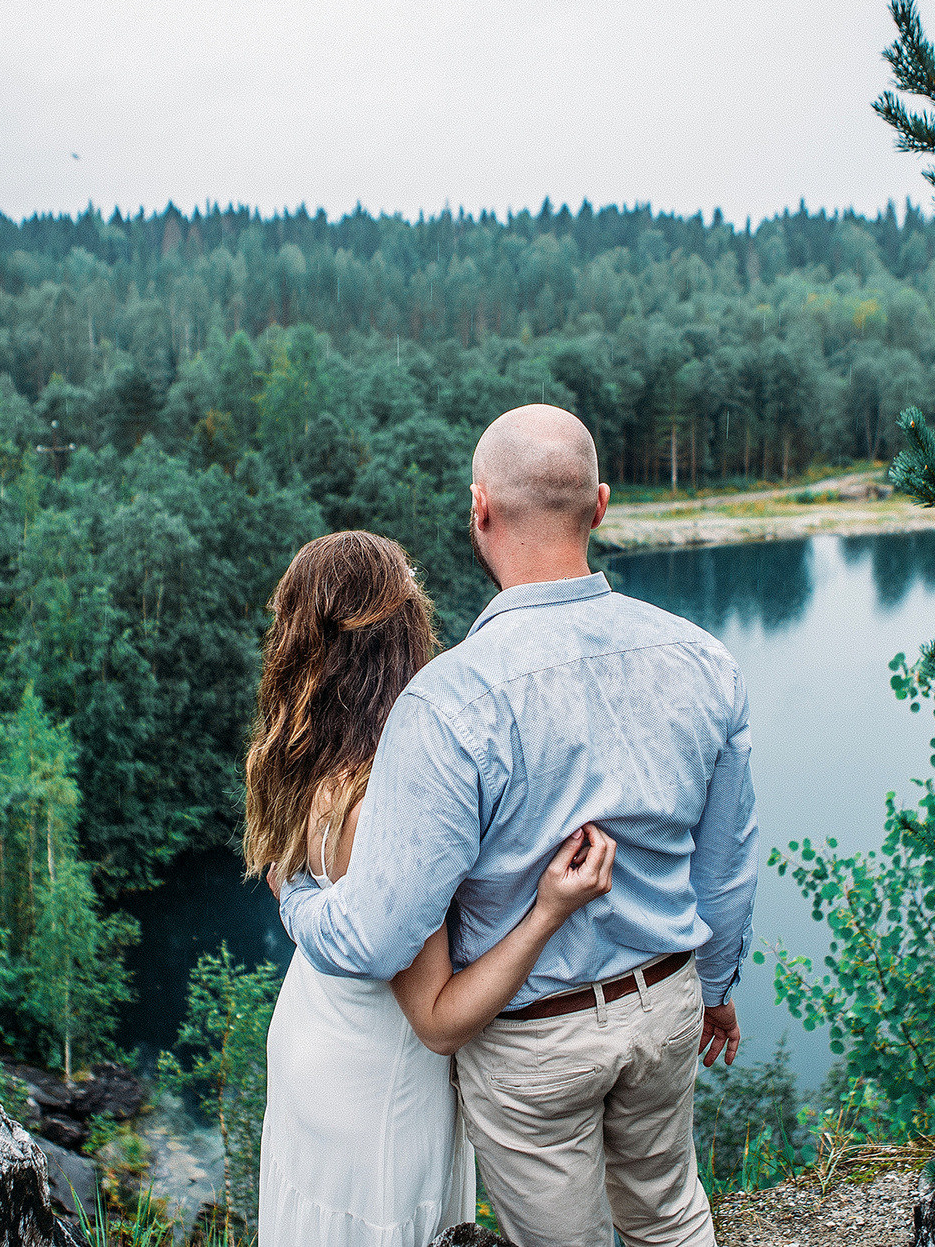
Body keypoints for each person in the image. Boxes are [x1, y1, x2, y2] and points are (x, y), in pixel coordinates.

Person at [278, 405, 760, 1247]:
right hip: (667, 1001)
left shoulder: (447, 703)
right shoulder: (702, 658)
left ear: (480, 509)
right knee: (673, 1214)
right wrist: (716, 987)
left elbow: (379, 935)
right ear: (601, 504)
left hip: (536, 1041)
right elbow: (725, 868)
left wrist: (302, 898)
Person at [247, 529, 623, 1247]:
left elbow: (289, 883)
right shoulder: (388, 797)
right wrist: (547, 911)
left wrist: (296, 905)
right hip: (379, 1084)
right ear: (402, 634)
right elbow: (443, 1017)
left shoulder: (297, 762)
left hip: (312, 1040)